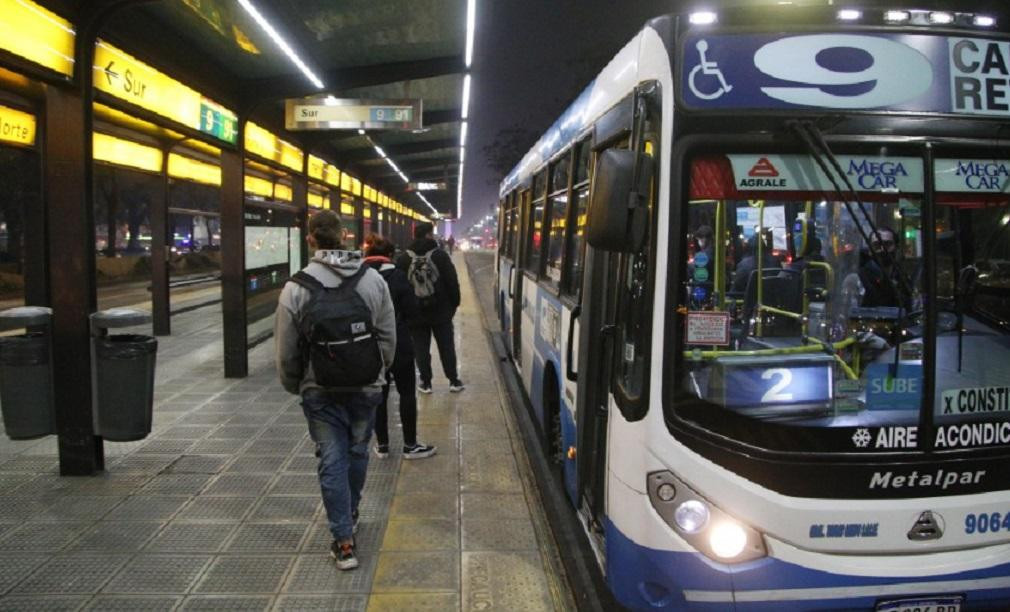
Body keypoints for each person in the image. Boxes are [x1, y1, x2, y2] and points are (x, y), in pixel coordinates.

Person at [274, 211, 396, 572]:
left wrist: (295, 383)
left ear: (310, 239)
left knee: (331, 458)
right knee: (358, 452)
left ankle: (343, 541)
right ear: (344, 237)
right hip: (366, 387)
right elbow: (388, 336)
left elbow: (286, 350)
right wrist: (379, 372)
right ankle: (351, 511)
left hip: (319, 390)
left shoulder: (296, 287)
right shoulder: (372, 281)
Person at [362, 235, 437, 460]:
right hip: (399, 345)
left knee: (379, 396)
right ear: (391, 255)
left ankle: (383, 445)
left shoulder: (359, 278)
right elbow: (413, 312)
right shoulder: (398, 277)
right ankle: (410, 445)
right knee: (406, 393)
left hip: (370, 347)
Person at [397, 222, 464, 393]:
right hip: (441, 311)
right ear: (428, 235)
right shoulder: (440, 255)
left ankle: (426, 383)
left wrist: (404, 311)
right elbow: (452, 282)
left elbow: (400, 286)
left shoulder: (404, 257)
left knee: (420, 348)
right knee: (446, 346)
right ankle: (453, 381)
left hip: (415, 312)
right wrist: (453, 305)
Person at [858, 226, 910, 309]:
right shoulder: (858, 279)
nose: (882, 249)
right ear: (869, 249)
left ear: (896, 247)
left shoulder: (903, 277)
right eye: (877, 245)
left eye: (887, 244)